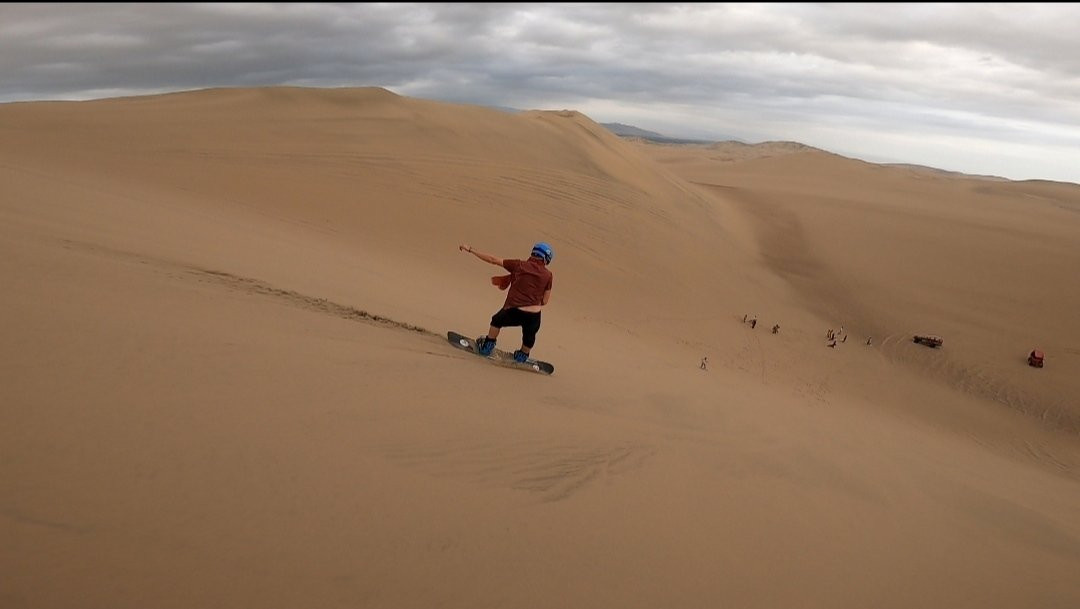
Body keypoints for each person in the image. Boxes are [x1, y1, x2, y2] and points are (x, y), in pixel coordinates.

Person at [459, 241, 554, 363]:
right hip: (534, 315)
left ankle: (487, 346)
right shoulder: (548, 275)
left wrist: (471, 249)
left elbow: (493, 260)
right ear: (546, 259)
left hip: (515, 310)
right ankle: (522, 356)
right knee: (529, 335)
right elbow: (545, 301)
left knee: (497, 320)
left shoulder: (519, 265)